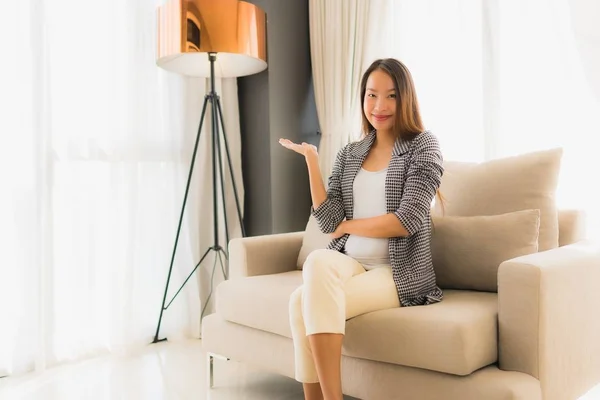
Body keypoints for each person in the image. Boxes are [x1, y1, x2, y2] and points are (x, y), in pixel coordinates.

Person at [279, 58, 444, 400]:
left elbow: (407, 219)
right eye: (371, 95)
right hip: (350, 263)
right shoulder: (350, 153)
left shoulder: (422, 146)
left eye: (391, 96)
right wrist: (312, 161)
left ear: (406, 99)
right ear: (362, 98)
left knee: (300, 304)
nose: (379, 106)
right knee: (316, 264)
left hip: (395, 271)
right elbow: (328, 222)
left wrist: (349, 225)